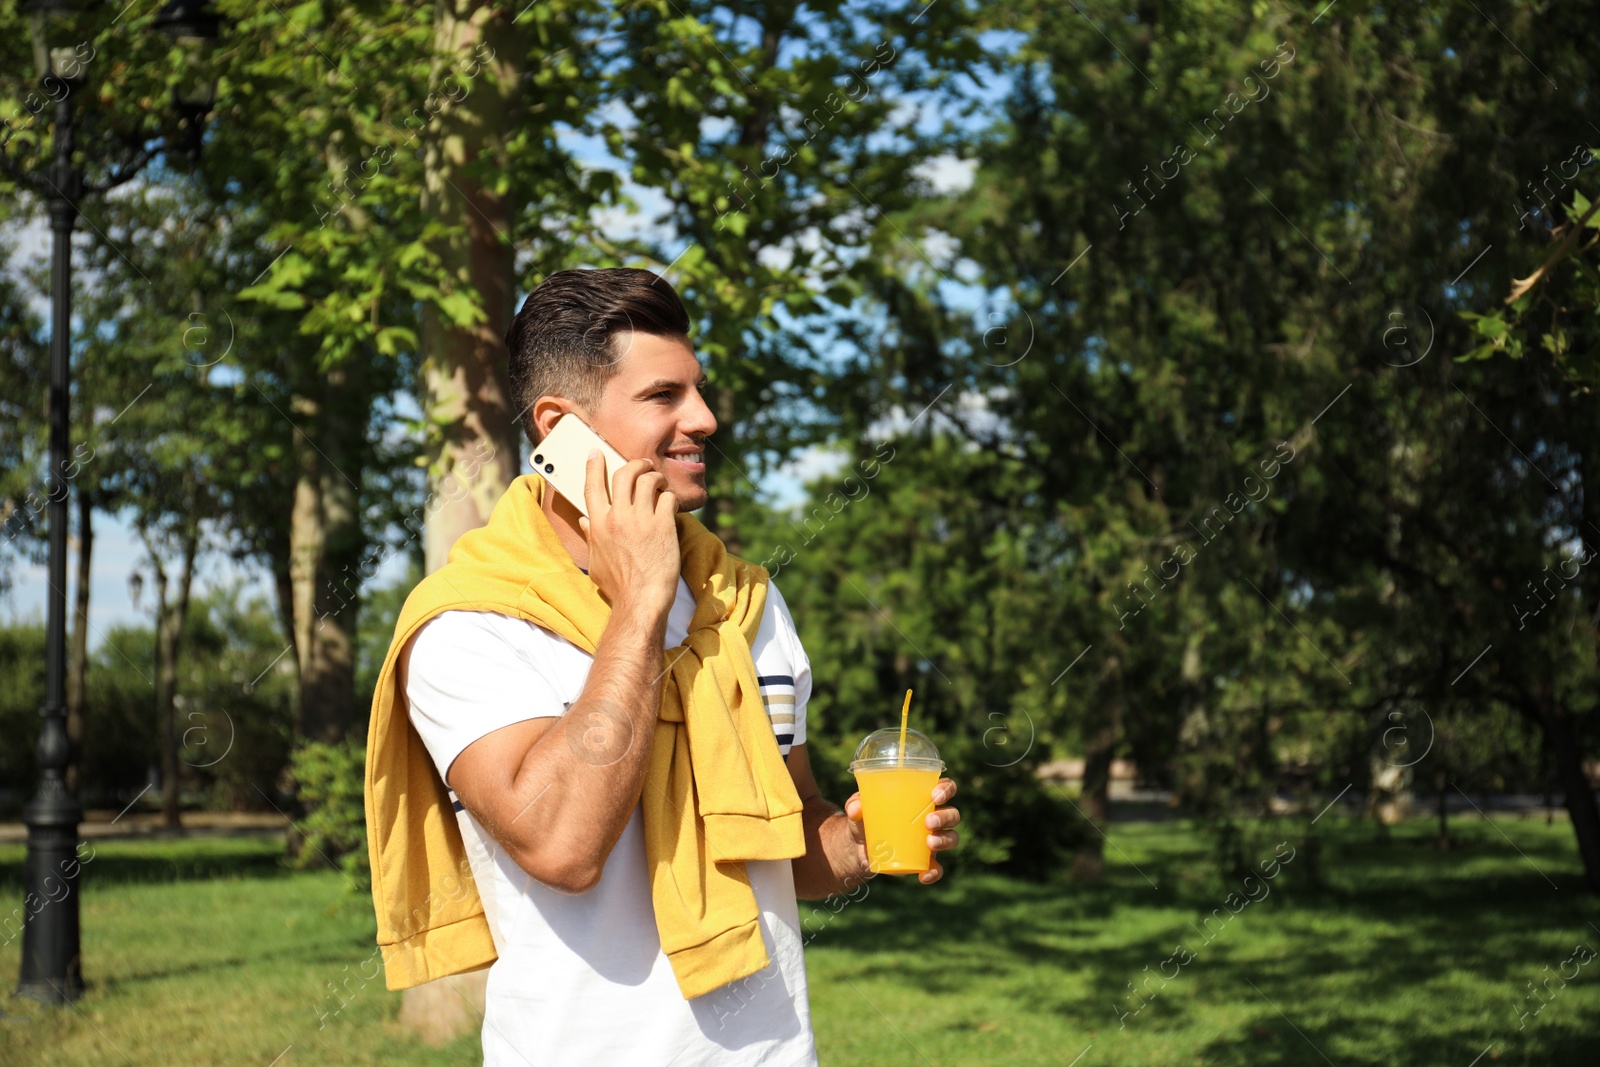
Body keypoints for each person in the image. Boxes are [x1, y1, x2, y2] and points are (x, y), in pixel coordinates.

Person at [391, 267, 962, 1065]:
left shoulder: (746, 603)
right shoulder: (470, 626)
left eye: (698, 390)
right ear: (560, 429)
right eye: (664, 396)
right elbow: (563, 846)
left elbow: (790, 833)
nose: (705, 417)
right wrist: (641, 606)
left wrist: (859, 845)